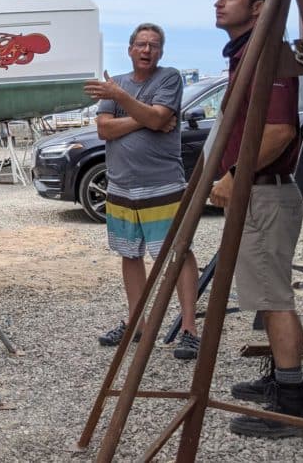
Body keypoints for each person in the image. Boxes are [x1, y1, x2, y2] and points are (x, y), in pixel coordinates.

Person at [210, 0, 303, 438]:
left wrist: (233, 176)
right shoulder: (246, 53)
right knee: (268, 297)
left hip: (264, 194)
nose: (219, 1)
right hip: (260, 194)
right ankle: (280, 379)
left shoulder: (264, 51)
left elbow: (278, 131)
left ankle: (292, 405)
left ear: (256, 7)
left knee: (274, 299)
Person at [84, 23, 201, 360]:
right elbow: (105, 129)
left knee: (177, 253)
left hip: (162, 183)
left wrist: (127, 103)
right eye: (141, 44)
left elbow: (159, 115)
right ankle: (137, 322)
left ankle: (189, 328)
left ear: (161, 52)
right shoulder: (116, 82)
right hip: (121, 185)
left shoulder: (168, 78)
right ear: (130, 49)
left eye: (154, 45)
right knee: (130, 253)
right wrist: (147, 118)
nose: (147, 50)